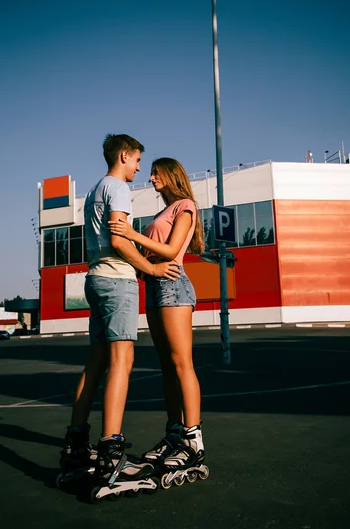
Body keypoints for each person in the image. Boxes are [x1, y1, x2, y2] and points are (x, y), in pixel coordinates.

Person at [59, 136, 181, 488]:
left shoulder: (96, 188)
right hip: (116, 280)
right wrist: (153, 269)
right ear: (124, 155)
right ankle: (112, 454)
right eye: (138, 159)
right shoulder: (118, 188)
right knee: (122, 361)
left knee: (96, 364)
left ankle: (76, 448)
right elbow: (119, 238)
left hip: (95, 278)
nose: (140, 167)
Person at [109, 157, 205, 476]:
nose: (150, 178)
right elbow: (151, 256)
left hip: (173, 287)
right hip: (153, 286)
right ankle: (174, 435)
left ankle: (193, 441)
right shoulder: (161, 211)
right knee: (166, 368)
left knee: (181, 363)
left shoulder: (185, 205)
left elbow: (172, 249)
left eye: (156, 173)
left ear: (171, 175)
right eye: (149, 173)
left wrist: (132, 235)